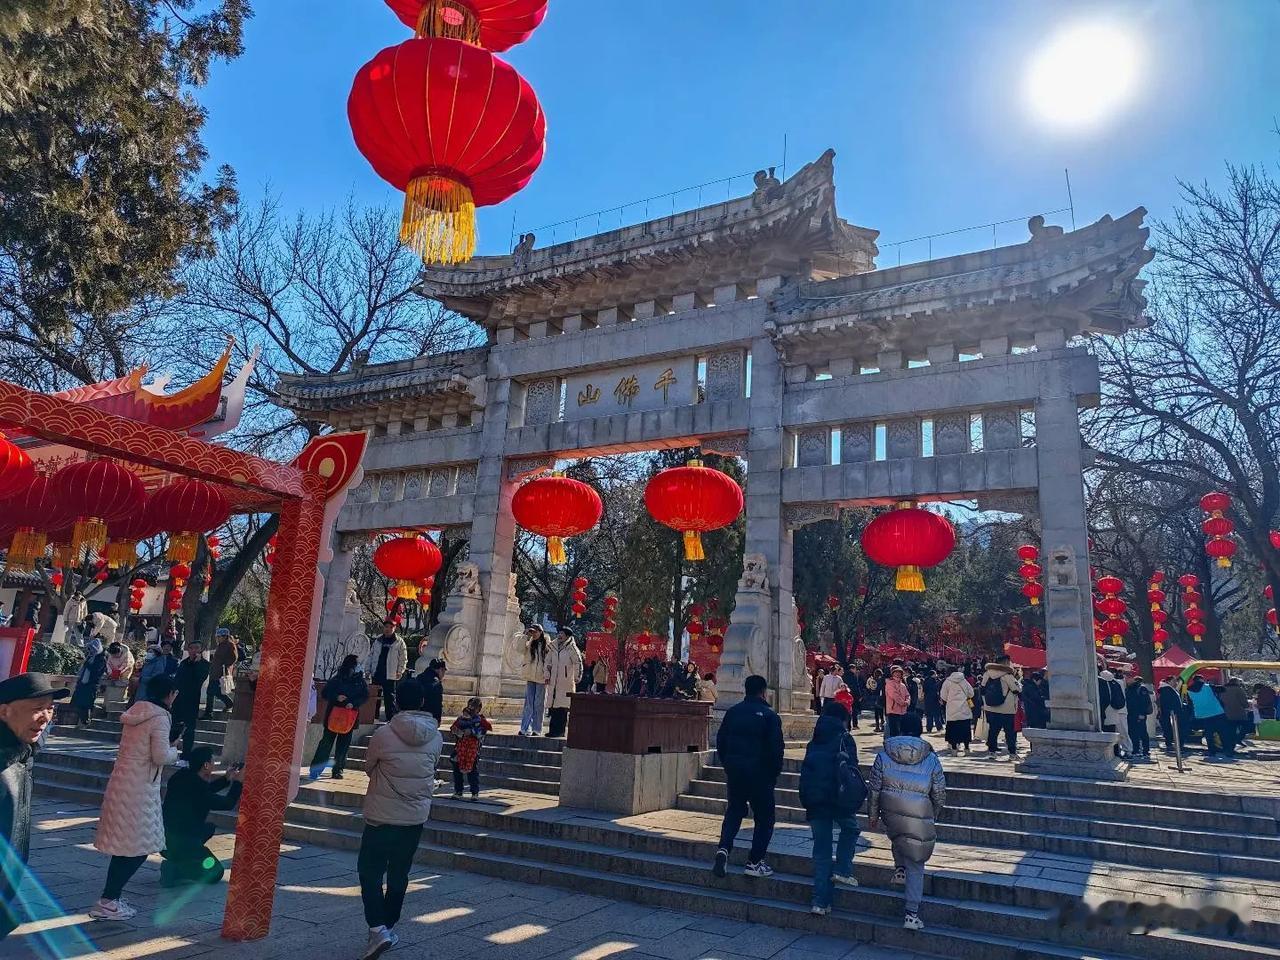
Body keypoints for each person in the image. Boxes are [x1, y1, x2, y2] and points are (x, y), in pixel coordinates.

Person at [358, 679, 442, 959]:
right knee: (399, 874)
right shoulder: (436, 736)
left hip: (381, 816)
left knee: (369, 872)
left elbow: (369, 767)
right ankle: (387, 926)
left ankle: (377, 927)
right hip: (414, 818)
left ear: (396, 702)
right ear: (422, 703)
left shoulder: (384, 734)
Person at [91, 675, 181, 920]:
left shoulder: (136, 711)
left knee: (124, 846)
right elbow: (161, 756)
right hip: (141, 786)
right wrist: (176, 749)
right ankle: (109, 899)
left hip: (122, 780)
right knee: (140, 848)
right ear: (170, 693)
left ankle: (111, 898)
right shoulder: (161, 717)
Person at [0, 673, 70, 939]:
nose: (45, 717)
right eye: (37, 709)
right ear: (4, 711)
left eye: (50, 709)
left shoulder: (21, 751)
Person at [867, 726, 946, 932]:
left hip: (891, 810)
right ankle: (911, 914)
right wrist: (933, 813)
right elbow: (939, 792)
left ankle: (900, 869)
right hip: (920, 811)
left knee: (899, 835)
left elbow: (874, 789)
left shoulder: (884, 756)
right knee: (917, 862)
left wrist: (873, 815)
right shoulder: (930, 759)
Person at [711, 675, 784, 880]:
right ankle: (755, 861)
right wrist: (773, 773)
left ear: (745, 690)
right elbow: (776, 749)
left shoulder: (733, 712)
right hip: (760, 774)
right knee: (764, 818)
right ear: (763, 691)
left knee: (734, 810)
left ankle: (724, 848)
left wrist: (729, 764)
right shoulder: (769, 715)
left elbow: (721, 741)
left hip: (735, 772)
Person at [798, 700, 864, 915]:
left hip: (815, 799)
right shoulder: (845, 738)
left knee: (822, 852)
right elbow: (851, 769)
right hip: (838, 798)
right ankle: (843, 868)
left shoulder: (814, 740)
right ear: (843, 720)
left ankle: (819, 901)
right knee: (851, 829)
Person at [160, 745, 243, 886]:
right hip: (184, 841)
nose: (214, 764)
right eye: (212, 762)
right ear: (205, 765)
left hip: (164, 839)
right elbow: (227, 803)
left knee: (208, 828)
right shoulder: (198, 789)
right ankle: (176, 868)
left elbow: (204, 791)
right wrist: (239, 782)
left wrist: (226, 779)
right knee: (215, 872)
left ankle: (179, 859)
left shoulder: (180, 777)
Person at [310, 655, 370, 780]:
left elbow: (364, 696)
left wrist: (353, 703)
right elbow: (325, 693)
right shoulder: (338, 679)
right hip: (334, 715)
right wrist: (336, 697)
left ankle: (338, 770)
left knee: (343, 746)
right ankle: (316, 770)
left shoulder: (360, 681)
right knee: (326, 744)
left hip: (350, 716)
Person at [449, 696, 492, 801]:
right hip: (460, 748)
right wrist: (459, 732)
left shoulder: (481, 721)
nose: (471, 709)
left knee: (473, 771)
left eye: (474, 707)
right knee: (457, 770)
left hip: (472, 750)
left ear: (479, 709)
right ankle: (458, 791)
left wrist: (472, 732)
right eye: (470, 706)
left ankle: (474, 792)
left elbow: (482, 733)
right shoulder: (461, 719)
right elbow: (453, 729)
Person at [364, 621, 408, 722]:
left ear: (394, 628)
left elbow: (403, 658)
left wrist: (400, 670)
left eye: (390, 627)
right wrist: (368, 670)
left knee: (390, 697)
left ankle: (390, 719)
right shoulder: (378, 641)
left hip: (390, 674)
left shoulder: (399, 642)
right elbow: (371, 656)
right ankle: (373, 716)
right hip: (377, 672)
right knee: (374, 696)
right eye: (386, 627)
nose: (388, 629)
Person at [979, 656, 1022, 757]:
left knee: (993, 730)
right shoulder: (1007, 675)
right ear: (1006, 662)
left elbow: (982, 689)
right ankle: (1012, 752)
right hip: (1007, 709)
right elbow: (1017, 689)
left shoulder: (987, 673)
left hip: (990, 707)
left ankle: (991, 751)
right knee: (1009, 731)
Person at [172, 640, 209, 758]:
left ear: (201, 650)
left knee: (189, 729)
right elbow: (177, 680)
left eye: (196, 648)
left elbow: (200, 679)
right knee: (174, 726)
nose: (194, 651)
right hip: (178, 700)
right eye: (191, 648)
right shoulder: (183, 663)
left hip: (192, 700)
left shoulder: (204, 664)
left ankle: (186, 753)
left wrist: (197, 663)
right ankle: (170, 749)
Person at [545, 627, 583, 738]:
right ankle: (552, 731)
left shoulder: (572, 648)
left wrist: (577, 677)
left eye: (562, 633)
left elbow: (578, 663)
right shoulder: (553, 646)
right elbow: (547, 662)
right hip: (554, 682)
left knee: (562, 709)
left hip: (565, 682)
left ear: (567, 636)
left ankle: (560, 731)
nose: (559, 635)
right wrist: (547, 674)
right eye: (559, 633)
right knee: (553, 708)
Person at [1187, 675, 1233, 758]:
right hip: (1217, 713)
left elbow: (1190, 703)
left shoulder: (1189, 690)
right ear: (1201, 679)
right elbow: (1223, 689)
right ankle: (1227, 751)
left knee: (1209, 734)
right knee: (1223, 733)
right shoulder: (1208, 687)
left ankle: (1212, 752)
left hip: (1204, 715)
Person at [519, 625, 550, 736]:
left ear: (541, 632)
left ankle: (537, 729)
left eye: (535, 631)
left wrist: (547, 675)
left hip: (542, 678)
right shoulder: (530, 643)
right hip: (530, 676)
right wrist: (525, 636)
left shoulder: (547, 645)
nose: (534, 634)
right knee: (528, 704)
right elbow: (519, 649)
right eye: (532, 631)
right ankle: (524, 728)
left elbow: (549, 662)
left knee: (539, 704)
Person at [70, 639, 108, 726]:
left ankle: (86, 721)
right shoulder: (90, 656)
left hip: (92, 684)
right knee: (77, 703)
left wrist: (86, 663)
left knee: (86, 705)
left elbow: (96, 671)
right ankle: (83, 721)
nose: (90, 651)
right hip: (83, 682)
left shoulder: (101, 658)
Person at [203, 627, 238, 718]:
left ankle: (209, 713)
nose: (217, 638)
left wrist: (225, 665)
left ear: (224, 636)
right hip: (215, 672)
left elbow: (234, 658)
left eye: (219, 637)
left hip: (221, 673)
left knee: (211, 691)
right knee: (215, 692)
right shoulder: (221, 645)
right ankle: (229, 703)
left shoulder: (230, 645)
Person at [938, 667, 974, 753]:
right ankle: (966, 747)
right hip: (964, 708)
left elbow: (943, 696)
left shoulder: (947, 682)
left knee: (953, 729)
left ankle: (954, 748)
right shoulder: (964, 681)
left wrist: (950, 700)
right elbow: (971, 693)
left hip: (952, 709)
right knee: (965, 728)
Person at [1098, 669, 1130, 757]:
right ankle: (1117, 752)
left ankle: (1110, 752)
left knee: (1106, 732)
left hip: (1106, 711)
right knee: (1115, 732)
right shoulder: (1117, 683)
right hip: (1116, 710)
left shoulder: (1101, 684)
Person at [1125, 674, 1153, 759]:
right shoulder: (1130, 688)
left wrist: (1142, 713)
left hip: (1136, 714)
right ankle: (1139, 750)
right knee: (1136, 733)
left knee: (1140, 733)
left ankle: (1142, 750)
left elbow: (1144, 702)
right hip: (1133, 715)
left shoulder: (1139, 688)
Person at [1220, 677, 1252, 746]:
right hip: (1238, 713)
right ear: (1237, 682)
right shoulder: (1239, 690)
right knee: (1247, 726)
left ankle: (1230, 746)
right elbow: (1245, 703)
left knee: (1231, 729)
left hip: (1226, 713)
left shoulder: (1223, 689)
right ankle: (1238, 739)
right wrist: (1247, 706)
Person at [1157, 676, 1183, 753]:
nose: (1176, 682)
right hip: (1169, 714)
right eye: (1174, 681)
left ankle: (1170, 743)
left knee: (1169, 729)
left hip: (1171, 713)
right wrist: (1172, 711)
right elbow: (1167, 702)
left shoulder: (1169, 689)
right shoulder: (1166, 690)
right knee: (1168, 729)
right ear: (1169, 681)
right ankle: (1169, 744)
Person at [884, 665, 911, 738]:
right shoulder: (889, 683)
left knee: (902, 731)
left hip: (903, 711)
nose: (898, 674)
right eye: (896, 672)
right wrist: (903, 703)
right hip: (893, 711)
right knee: (894, 732)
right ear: (892, 674)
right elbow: (894, 695)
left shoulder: (903, 685)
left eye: (899, 672)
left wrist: (907, 702)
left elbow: (907, 695)